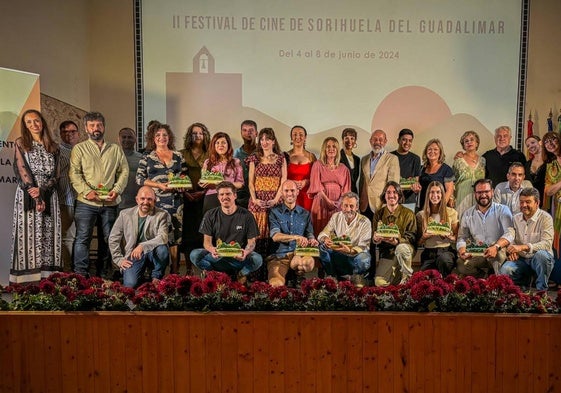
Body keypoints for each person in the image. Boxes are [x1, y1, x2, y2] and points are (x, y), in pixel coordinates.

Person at [70, 111, 129, 277]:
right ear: (86, 128)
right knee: (83, 238)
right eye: (92, 125)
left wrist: (116, 190)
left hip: (110, 203)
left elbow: (124, 171)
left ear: (104, 127)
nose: (96, 128)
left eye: (99, 125)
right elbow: (74, 173)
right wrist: (87, 191)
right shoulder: (79, 148)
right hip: (85, 203)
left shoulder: (115, 149)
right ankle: (80, 274)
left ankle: (103, 273)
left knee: (109, 239)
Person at [10, 109, 62, 284]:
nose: (34, 125)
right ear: (25, 125)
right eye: (29, 122)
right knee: (29, 234)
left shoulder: (54, 147)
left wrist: (44, 190)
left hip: (49, 194)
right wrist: (34, 192)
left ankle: (48, 280)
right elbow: (21, 169)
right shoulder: (21, 143)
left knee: (48, 234)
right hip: (27, 195)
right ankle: (28, 281)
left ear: (43, 122)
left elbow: (56, 174)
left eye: (37, 120)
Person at [136, 121, 188, 274]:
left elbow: (185, 177)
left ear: (169, 137)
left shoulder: (178, 156)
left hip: (175, 202)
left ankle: (175, 270)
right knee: (155, 234)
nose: (161, 137)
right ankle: (154, 272)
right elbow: (139, 179)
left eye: (165, 135)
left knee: (175, 238)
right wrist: (158, 185)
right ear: (153, 138)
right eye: (158, 135)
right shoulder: (147, 157)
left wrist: (182, 185)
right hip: (155, 202)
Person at [190, 181, 263, 283]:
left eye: (228, 194)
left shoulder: (247, 215)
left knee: (257, 259)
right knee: (194, 255)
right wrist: (212, 250)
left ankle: (241, 274)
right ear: (218, 197)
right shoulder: (210, 214)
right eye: (221, 194)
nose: (225, 197)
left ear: (235, 195)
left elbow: (252, 242)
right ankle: (215, 275)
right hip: (218, 257)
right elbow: (207, 243)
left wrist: (245, 252)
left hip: (238, 258)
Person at [109, 186, 171, 288]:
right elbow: (113, 238)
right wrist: (118, 260)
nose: (145, 202)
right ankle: (140, 275)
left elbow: (163, 237)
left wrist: (142, 246)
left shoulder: (162, 214)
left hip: (152, 253)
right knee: (130, 284)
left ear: (154, 201)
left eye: (149, 199)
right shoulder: (125, 214)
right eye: (142, 199)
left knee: (162, 249)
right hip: (133, 254)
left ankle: (156, 276)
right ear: (137, 200)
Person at [456, 179, 514, 278]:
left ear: (492, 192)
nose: (483, 195)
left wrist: (496, 247)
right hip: (478, 253)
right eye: (479, 192)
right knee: (461, 264)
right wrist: (462, 251)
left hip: (498, 252)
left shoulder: (503, 210)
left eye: (486, 191)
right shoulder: (467, 214)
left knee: (497, 255)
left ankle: (497, 281)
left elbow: (510, 233)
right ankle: (484, 278)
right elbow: (462, 237)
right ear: (475, 194)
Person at [500, 187, 554, 291]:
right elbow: (510, 236)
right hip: (521, 260)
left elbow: (547, 244)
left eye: (528, 202)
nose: (524, 205)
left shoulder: (546, 218)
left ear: (537, 203)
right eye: (521, 202)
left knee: (541, 256)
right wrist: (512, 250)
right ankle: (522, 287)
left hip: (538, 259)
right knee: (506, 269)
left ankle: (541, 291)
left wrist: (522, 247)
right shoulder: (516, 218)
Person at [267, 180, 319, 287]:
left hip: (298, 255)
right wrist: (295, 237)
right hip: (280, 256)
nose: (290, 193)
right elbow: (275, 236)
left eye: (292, 190)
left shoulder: (305, 213)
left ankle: (298, 275)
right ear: (281, 192)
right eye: (286, 191)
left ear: (298, 192)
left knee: (307, 263)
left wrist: (312, 240)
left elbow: (309, 234)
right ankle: (289, 277)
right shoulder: (274, 212)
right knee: (276, 284)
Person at [247, 127, 287, 258]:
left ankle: (273, 270)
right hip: (258, 202)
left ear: (273, 141)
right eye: (262, 139)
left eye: (267, 139)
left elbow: (283, 181)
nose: (264, 142)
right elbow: (251, 182)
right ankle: (256, 270)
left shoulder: (281, 158)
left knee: (274, 235)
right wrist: (254, 199)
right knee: (257, 236)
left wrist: (276, 199)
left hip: (276, 201)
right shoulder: (254, 158)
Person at [318, 192, 371, 286]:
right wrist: (325, 238)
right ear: (341, 206)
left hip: (355, 256)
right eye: (345, 206)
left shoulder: (365, 221)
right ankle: (332, 276)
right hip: (340, 254)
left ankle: (357, 276)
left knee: (364, 258)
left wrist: (350, 250)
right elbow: (323, 233)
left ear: (357, 207)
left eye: (351, 206)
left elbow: (364, 246)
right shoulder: (336, 217)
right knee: (323, 246)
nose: (348, 209)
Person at [372, 182, 417, 286]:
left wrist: (397, 241)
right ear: (384, 195)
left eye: (395, 192)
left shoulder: (408, 214)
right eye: (388, 192)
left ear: (400, 195)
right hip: (388, 254)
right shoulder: (378, 214)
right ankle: (397, 280)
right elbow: (374, 236)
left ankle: (407, 278)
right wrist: (375, 239)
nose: (391, 195)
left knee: (401, 248)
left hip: (405, 250)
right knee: (379, 282)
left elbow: (412, 236)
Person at [181, 122, 211, 269]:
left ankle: (204, 267)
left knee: (204, 233)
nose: (197, 136)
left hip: (206, 199)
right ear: (189, 136)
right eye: (194, 133)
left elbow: (215, 176)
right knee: (188, 235)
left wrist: (204, 191)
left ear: (205, 135)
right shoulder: (181, 153)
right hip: (187, 199)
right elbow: (177, 176)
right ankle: (188, 268)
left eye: (200, 133)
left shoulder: (211, 154)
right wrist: (185, 192)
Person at [308, 137, 351, 235]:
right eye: (328, 147)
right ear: (324, 149)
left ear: (337, 150)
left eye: (334, 147)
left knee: (336, 232)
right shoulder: (317, 165)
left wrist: (338, 203)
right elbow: (316, 185)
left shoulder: (344, 168)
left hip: (338, 205)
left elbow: (346, 191)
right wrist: (327, 201)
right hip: (321, 202)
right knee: (320, 231)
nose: (331, 149)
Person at [416, 181, 459, 277]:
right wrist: (424, 237)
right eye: (432, 192)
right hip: (428, 252)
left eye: (438, 192)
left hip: (446, 251)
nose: (435, 195)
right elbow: (418, 242)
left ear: (442, 194)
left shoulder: (452, 212)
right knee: (425, 278)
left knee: (443, 260)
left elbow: (457, 237)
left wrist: (449, 237)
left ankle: (445, 284)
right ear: (428, 195)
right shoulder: (421, 215)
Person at [358, 129, 400, 219]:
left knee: (379, 232)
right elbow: (362, 182)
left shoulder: (392, 159)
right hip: (364, 204)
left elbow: (393, 184)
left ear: (385, 142)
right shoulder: (364, 159)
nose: (377, 142)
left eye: (381, 140)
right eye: (375, 139)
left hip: (381, 204)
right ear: (370, 141)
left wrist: (388, 204)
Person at [200, 132, 244, 213]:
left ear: (228, 145)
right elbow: (203, 180)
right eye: (217, 143)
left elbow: (240, 184)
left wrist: (222, 183)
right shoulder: (208, 162)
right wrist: (203, 184)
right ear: (214, 145)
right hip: (211, 197)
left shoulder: (236, 162)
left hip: (229, 197)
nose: (220, 145)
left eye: (223, 142)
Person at [57, 120, 80, 271]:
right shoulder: (57, 150)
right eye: (65, 132)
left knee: (80, 237)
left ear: (78, 134)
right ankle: (68, 269)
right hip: (66, 199)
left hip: (83, 200)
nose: (69, 135)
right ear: (61, 134)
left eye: (72, 132)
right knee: (67, 237)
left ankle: (78, 269)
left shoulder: (82, 149)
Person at [453, 130, 486, 220]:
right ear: (463, 145)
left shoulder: (483, 160)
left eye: (472, 140)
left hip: (478, 198)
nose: (469, 142)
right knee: (461, 223)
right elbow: (453, 181)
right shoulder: (458, 160)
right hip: (462, 197)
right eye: (466, 141)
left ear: (477, 143)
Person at [285, 125, 316, 211]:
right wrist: (291, 182)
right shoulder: (285, 156)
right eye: (295, 134)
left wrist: (306, 182)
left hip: (307, 196)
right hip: (290, 194)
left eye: (301, 134)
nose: (298, 137)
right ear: (291, 137)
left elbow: (316, 177)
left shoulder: (311, 157)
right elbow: (281, 177)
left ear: (305, 137)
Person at [390, 128, 422, 211]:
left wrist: (415, 186)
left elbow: (416, 179)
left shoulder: (416, 159)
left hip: (409, 201)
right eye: (404, 140)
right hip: (392, 199)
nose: (407, 143)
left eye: (410, 140)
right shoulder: (389, 157)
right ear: (398, 140)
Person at [418, 138, 455, 209]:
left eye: (435, 149)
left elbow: (449, 190)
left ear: (440, 152)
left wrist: (441, 207)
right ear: (426, 152)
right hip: (424, 206)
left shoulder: (446, 169)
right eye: (429, 149)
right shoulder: (421, 169)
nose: (432, 151)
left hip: (439, 207)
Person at [543, 131, 561, 254]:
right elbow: (548, 191)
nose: (550, 143)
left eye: (553, 139)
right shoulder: (550, 165)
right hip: (558, 206)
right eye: (546, 142)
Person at [233, 120, 257, 209]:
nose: (248, 133)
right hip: (240, 197)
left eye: (251, 130)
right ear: (241, 133)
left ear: (256, 133)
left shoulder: (263, 152)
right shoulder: (235, 154)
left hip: (259, 194)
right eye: (245, 130)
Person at [118, 127, 143, 210]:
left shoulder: (142, 158)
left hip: (136, 203)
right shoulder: (113, 157)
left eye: (130, 137)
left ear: (135, 139)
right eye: (124, 137)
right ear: (119, 139)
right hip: (116, 203)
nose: (126, 140)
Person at [524, 135, 551, 207]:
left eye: (533, 142)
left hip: (548, 200)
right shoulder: (527, 164)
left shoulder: (550, 161)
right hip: (531, 202)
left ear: (541, 142)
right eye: (528, 145)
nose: (531, 146)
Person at [339, 127, 361, 194]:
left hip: (353, 194)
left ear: (355, 141)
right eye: (346, 138)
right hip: (341, 194)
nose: (350, 141)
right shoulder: (337, 157)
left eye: (352, 138)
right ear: (342, 140)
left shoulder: (357, 159)